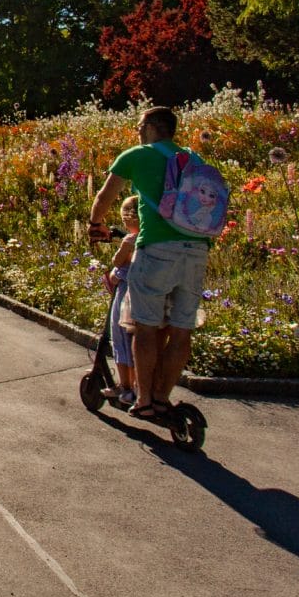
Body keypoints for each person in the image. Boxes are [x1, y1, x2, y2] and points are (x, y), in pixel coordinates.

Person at [89, 106, 211, 420]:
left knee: (145, 327)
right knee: (181, 330)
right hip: (196, 249)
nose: (137, 130)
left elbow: (104, 196)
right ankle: (161, 398)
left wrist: (96, 224)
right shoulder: (192, 158)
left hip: (157, 248)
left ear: (152, 126)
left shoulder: (138, 155)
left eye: (140, 125)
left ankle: (143, 399)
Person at [102, 195, 142, 406]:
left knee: (120, 337)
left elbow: (117, 261)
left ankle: (125, 386)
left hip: (125, 293)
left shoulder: (129, 241)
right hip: (143, 294)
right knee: (136, 340)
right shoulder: (150, 240)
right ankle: (138, 386)